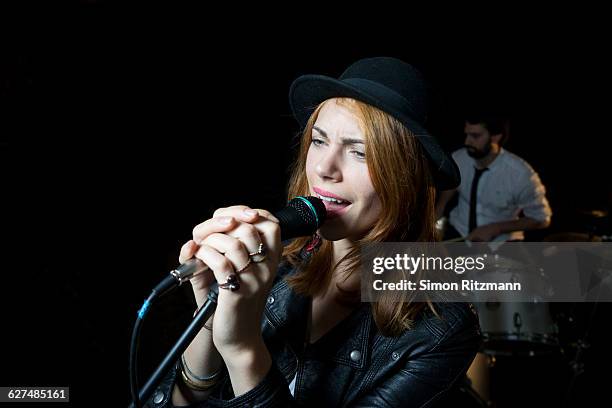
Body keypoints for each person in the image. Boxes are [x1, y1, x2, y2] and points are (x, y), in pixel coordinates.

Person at [146, 57, 481, 407]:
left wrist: (243, 350)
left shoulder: (443, 329)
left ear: (407, 177)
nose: (323, 168)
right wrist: (210, 324)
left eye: (359, 152)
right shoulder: (272, 261)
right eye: (319, 142)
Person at [436, 115, 552, 242]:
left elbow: (542, 219)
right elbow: (450, 189)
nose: (467, 142)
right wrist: (436, 216)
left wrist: (495, 228)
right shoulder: (458, 158)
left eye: (475, 136)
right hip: (459, 232)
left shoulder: (521, 174)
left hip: (501, 241)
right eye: (467, 135)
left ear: (496, 137)